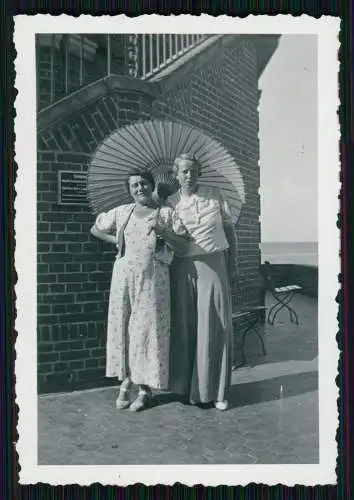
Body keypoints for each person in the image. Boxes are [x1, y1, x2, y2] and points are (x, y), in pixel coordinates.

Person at [90, 170, 188, 412]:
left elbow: (184, 246)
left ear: (152, 186)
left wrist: (163, 232)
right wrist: (116, 240)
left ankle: (145, 388)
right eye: (134, 185)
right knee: (123, 326)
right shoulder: (122, 212)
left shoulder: (165, 213)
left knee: (148, 329)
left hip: (154, 277)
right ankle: (125, 381)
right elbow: (96, 229)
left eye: (143, 183)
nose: (139, 188)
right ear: (129, 190)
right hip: (123, 276)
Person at [168, 153, 237, 411]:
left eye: (193, 171)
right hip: (184, 267)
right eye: (184, 171)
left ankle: (217, 391)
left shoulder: (215, 194)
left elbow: (230, 231)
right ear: (175, 174)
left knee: (216, 325)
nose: (188, 176)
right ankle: (188, 389)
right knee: (187, 326)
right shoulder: (170, 202)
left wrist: (233, 263)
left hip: (215, 264)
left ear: (199, 172)